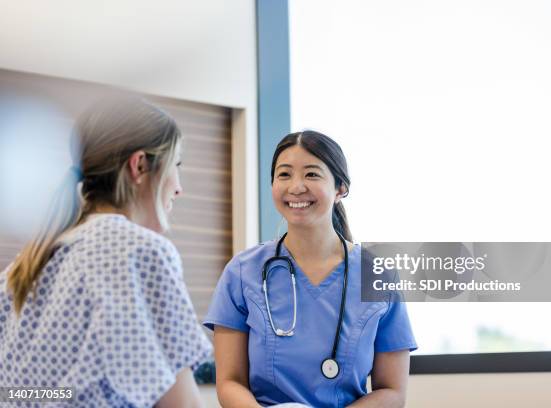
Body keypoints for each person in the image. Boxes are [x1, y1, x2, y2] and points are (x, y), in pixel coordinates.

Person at [0, 97, 211, 407]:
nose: (178, 187)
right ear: (139, 165)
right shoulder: (141, 251)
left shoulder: (24, 266)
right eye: (175, 165)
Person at [204, 130, 417, 408]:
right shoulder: (243, 272)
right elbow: (230, 382)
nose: (296, 187)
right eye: (284, 175)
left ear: (340, 188)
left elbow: (392, 391)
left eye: (312, 174)